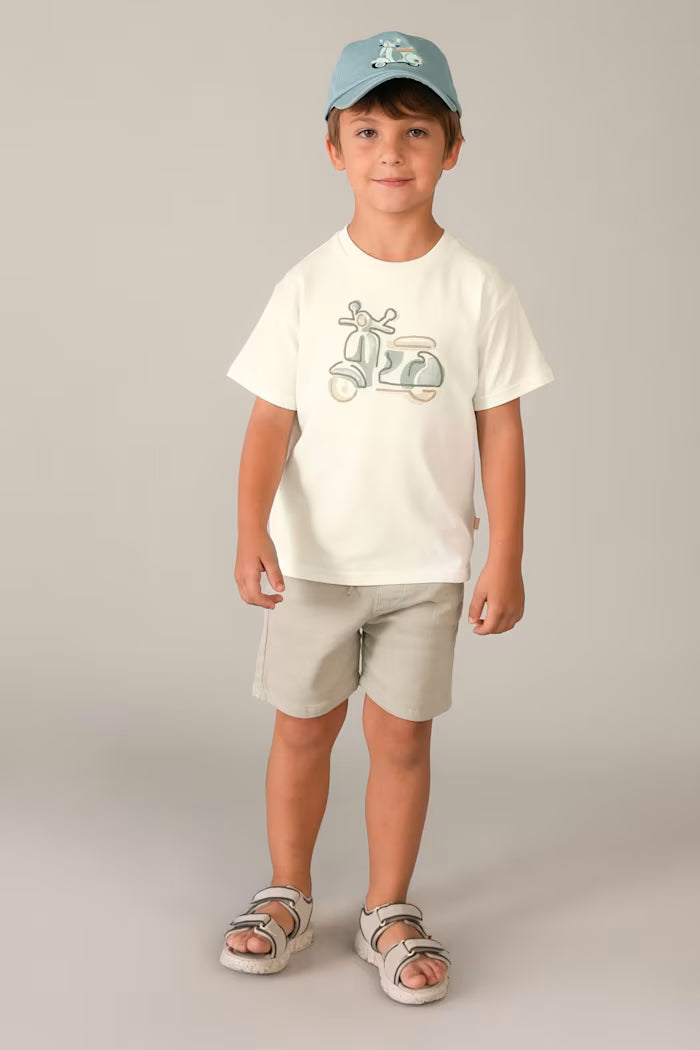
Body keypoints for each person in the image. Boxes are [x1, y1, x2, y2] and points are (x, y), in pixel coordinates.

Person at [219, 30, 555, 1005]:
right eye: (368, 130)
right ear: (334, 149)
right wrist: (249, 530)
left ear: (454, 146)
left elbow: (501, 431)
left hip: (426, 568)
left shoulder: (479, 289)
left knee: (402, 738)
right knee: (303, 730)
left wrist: (506, 556)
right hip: (315, 564)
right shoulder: (308, 285)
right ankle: (286, 892)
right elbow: (268, 423)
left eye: (415, 131)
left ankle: (387, 907)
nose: (392, 153)